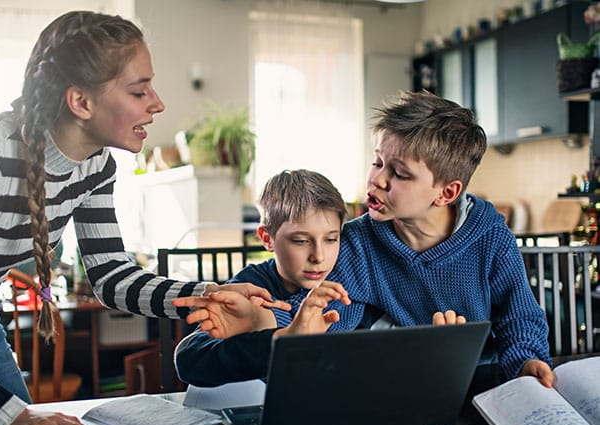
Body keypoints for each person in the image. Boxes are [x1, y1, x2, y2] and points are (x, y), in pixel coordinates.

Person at [0, 11, 281, 425]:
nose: (158, 104)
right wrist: (10, 415)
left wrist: (206, 292)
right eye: (139, 90)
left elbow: (111, 277)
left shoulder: (95, 166)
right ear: (80, 101)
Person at [176, 90, 553, 391]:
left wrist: (525, 362)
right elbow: (320, 315)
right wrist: (262, 318)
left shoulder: (489, 236)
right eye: (377, 162)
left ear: (446, 192)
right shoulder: (357, 242)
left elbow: (519, 316)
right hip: (416, 389)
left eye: (400, 174)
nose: (378, 180)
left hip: (485, 388)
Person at [174, 169, 465, 387]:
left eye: (331, 239)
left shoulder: (349, 285)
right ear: (267, 238)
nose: (319, 257)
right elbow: (190, 360)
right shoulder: (251, 289)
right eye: (301, 241)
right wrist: (278, 338)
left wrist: (438, 349)